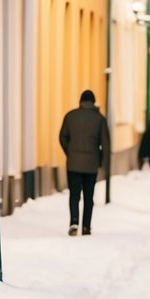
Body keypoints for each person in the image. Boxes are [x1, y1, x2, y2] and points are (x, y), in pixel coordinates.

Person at [59, 89, 110, 237]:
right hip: (91, 165)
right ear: (94, 102)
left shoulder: (70, 116)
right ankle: (86, 226)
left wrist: (70, 152)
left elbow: (62, 136)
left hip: (73, 164)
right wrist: (102, 162)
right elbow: (105, 143)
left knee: (74, 195)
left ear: (80, 102)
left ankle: (74, 222)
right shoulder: (100, 119)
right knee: (89, 197)